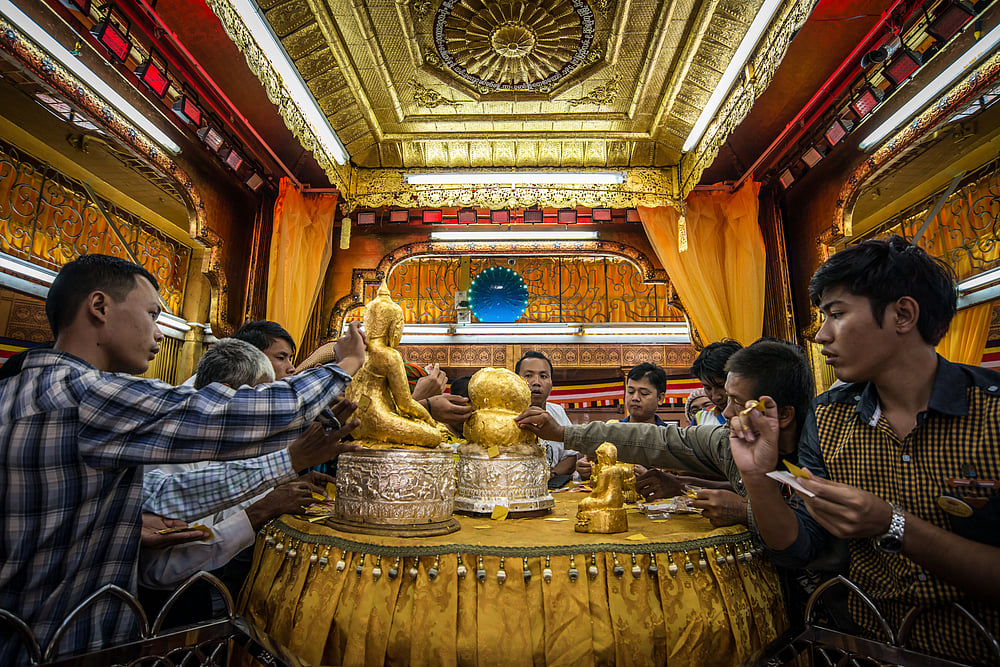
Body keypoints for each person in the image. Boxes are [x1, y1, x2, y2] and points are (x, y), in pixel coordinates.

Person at [0, 254, 365, 663]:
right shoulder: (83, 396)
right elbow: (245, 416)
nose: (159, 333)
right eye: (153, 314)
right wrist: (345, 362)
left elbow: (162, 492)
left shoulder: (25, 387)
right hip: (52, 641)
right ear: (99, 307)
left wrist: (132, 514)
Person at [729, 236, 1000, 663]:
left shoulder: (992, 413)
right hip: (870, 648)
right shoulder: (830, 417)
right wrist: (756, 476)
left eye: (836, 314)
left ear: (903, 314)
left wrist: (892, 524)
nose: (821, 335)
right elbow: (802, 546)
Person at [516, 339, 814, 529]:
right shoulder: (726, 440)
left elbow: (815, 540)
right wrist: (563, 433)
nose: (722, 410)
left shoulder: (821, 451)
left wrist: (747, 512)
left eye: (733, 398)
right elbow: (656, 441)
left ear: (784, 414)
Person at [140, 338, 359, 589]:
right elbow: (163, 568)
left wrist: (280, 488)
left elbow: (220, 500)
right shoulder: (176, 442)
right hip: (180, 596)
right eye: (259, 400)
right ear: (224, 394)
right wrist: (262, 508)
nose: (290, 367)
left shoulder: (220, 436)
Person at [578, 363, 668, 480]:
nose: (635, 398)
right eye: (630, 392)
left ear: (660, 398)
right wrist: (585, 470)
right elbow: (595, 468)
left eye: (643, 393)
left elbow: (679, 480)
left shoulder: (669, 437)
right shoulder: (611, 431)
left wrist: (653, 477)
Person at [516, 351, 577, 476]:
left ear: (551, 384)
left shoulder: (557, 412)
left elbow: (570, 458)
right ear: (515, 381)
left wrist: (550, 475)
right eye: (528, 375)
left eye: (543, 376)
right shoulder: (503, 415)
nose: (536, 382)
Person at [690, 339, 742, 424]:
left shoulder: (759, 415)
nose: (715, 397)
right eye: (708, 388)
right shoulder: (701, 418)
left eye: (721, 386)